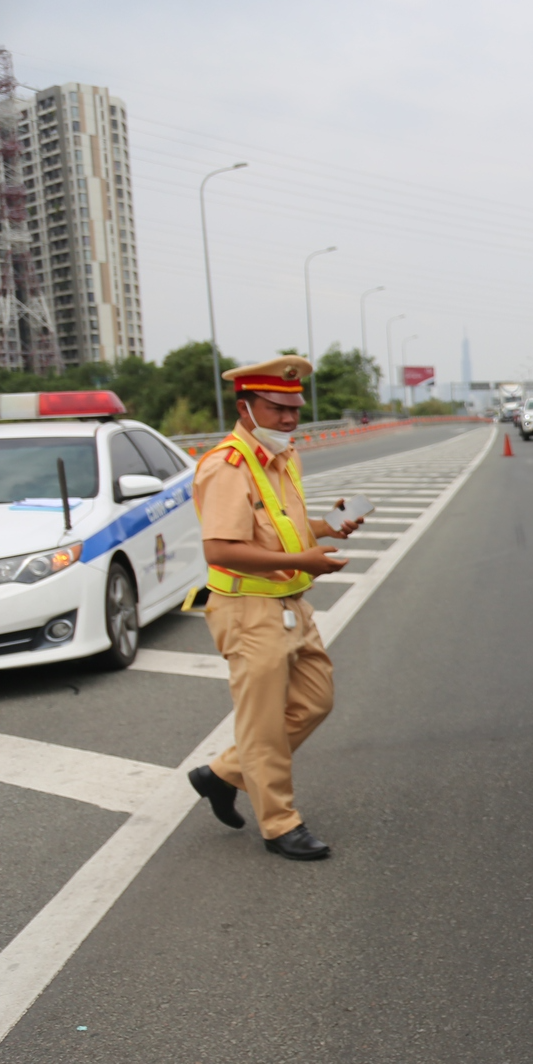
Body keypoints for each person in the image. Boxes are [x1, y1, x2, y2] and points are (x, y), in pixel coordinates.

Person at [185, 357, 363, 860]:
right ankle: (280, 824)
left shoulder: (283, 457)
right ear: (246, 408)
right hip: (247, 609)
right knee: (261, 724)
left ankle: (222, 774)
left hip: (290, 603)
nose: (289, 419)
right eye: (276, 408)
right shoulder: (227, 466)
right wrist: (302, 559)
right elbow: (219, 549)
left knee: (315, 701)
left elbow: (284, 522)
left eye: (294, 409)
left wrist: (328, 526)